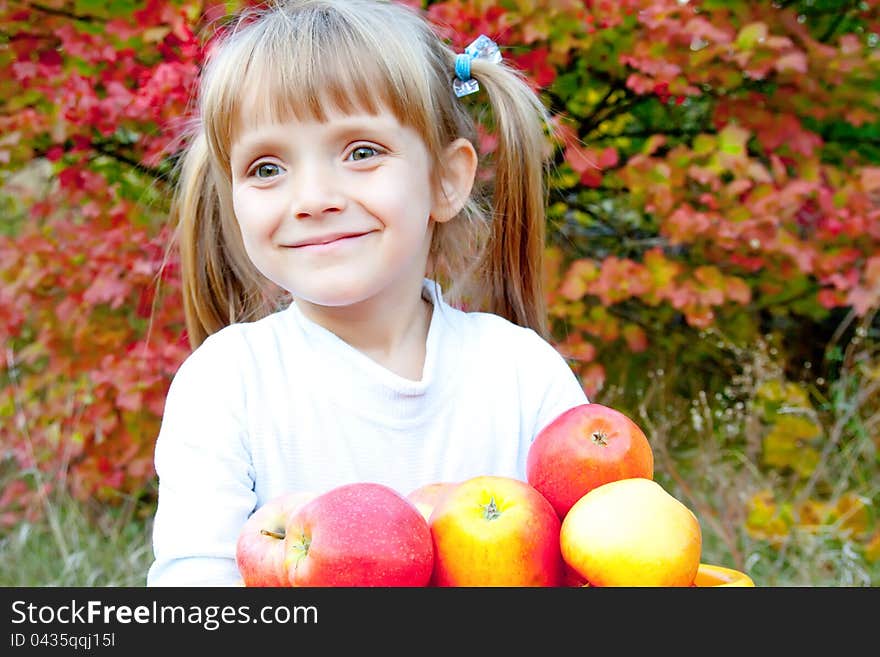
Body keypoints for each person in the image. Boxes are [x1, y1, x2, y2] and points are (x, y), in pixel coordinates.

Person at [147, 0, 589, 587]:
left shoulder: (523, 375)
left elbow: (598, 559)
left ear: (447, 179)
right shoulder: (226, 386)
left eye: (361, 152)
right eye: (267, 167)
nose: (312, 197)